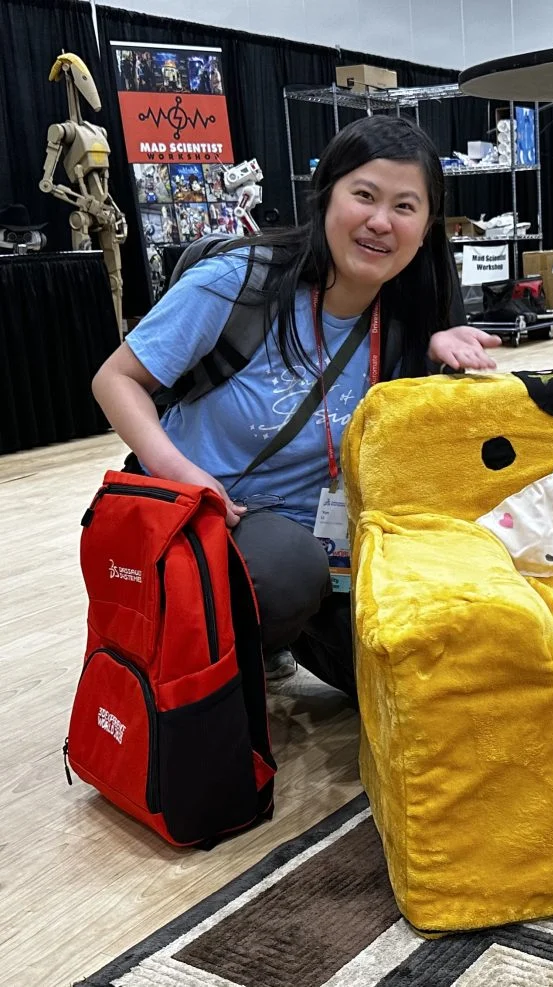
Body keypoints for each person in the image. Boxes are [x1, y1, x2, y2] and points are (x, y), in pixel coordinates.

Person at [91, 115, 501, 698]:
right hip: (206, 515)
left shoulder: (409, 318)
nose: (381, 221)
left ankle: (284, 627)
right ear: (326, 195)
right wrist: (181, 472)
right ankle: (230, 652)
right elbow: (115, 380)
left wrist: (436, 360)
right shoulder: (239, 281)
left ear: (427, 226)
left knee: (418, 670)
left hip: (325, 540)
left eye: (405, 207)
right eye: (364, 195)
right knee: (284, 572)